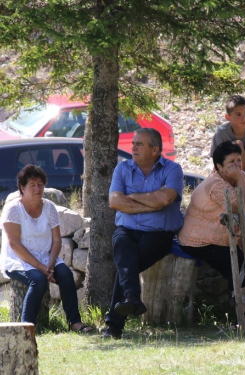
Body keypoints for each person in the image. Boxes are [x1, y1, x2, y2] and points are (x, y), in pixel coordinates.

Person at [179, 141, 245, 328]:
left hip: (220, 240)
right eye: (231, 162)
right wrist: (241, 181)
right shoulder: (215, 185)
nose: (236, 165)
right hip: (197, 241)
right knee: (238, 269)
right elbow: (244, 208)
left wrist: (240, 179)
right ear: (219, 166)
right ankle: (244, 319)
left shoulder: (240, 176)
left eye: (238, 160)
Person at [102, 128, 184, 339]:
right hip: (126, 231)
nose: (133, 147)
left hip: (157, 234)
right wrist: (151, 203)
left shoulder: (172, 169)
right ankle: (131, 301)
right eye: (134, 143)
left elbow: (165, 200)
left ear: (155, 149)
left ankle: (115, 324)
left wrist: (132, 197)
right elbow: (114, 201)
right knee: (122, 246)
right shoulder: (122, 169)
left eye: (139, 144)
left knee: (126, 266)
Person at [0, 164, 92, 332]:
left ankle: (74, 322)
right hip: (18, 259)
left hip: (46, 257)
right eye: (32, 185)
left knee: (65, 274)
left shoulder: (49, 207)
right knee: (38, 280)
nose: (37, 188)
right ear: (22, 187)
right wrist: (41, 268)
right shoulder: (12, 209)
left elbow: (57, 241)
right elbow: (14, 244)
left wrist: (50, 262)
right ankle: (24, 328)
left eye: (40, 184)